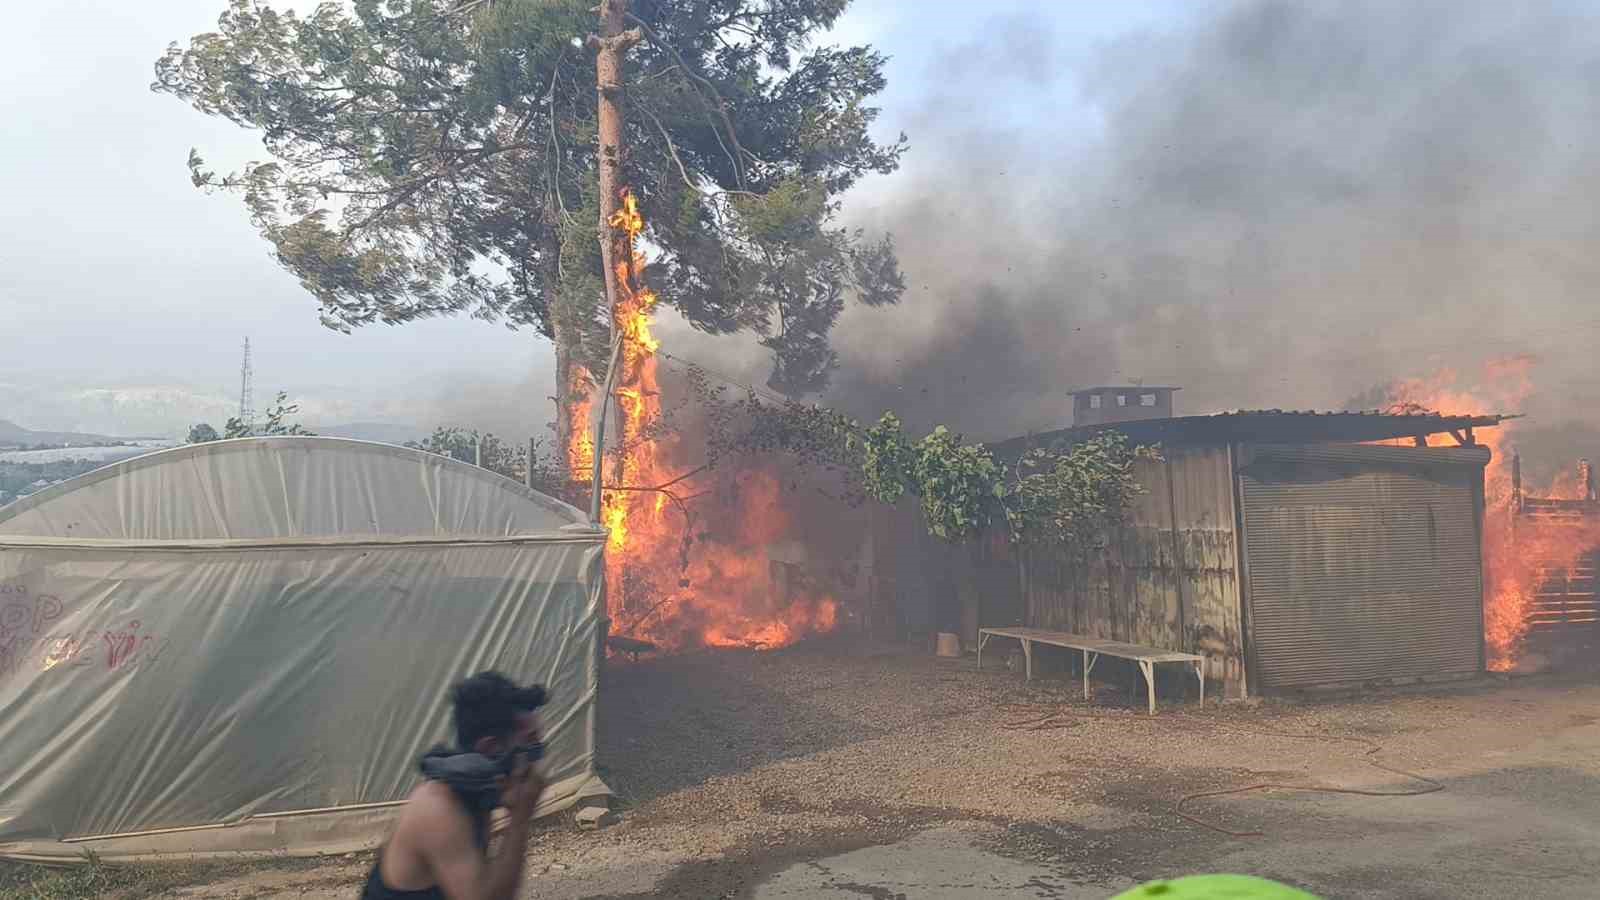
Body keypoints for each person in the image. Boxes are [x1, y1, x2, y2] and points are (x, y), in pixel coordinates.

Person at [362, 671, 549, 900]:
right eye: (529, 745)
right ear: (491, 749)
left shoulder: (475, 794)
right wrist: (520, 819)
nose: (535, 761)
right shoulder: (438, 808)